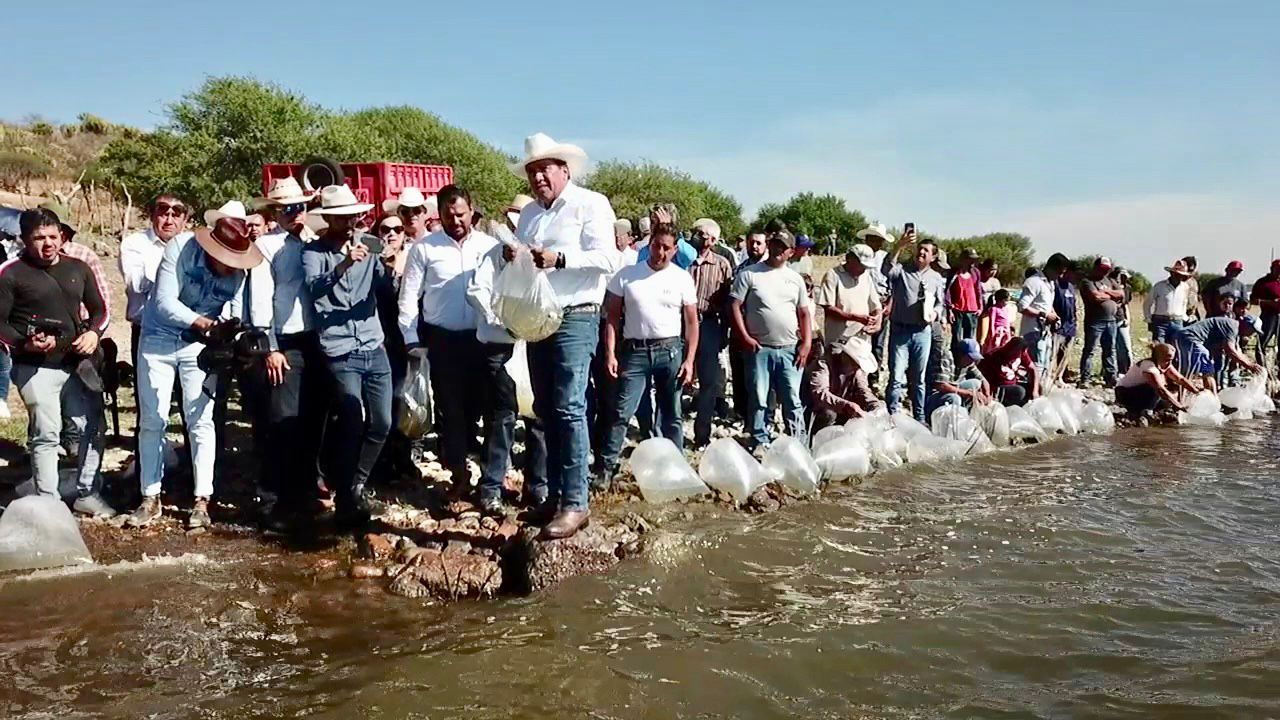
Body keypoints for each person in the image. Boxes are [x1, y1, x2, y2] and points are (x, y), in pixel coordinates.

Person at [509, 133, 621, 539]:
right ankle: (556, 497)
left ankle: (576, 502)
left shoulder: (591, 203)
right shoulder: (528, 217)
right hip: (540, 316)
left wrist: (562, 258)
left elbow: (610, 258)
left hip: (577, 314)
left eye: (545, 168)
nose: (538, 176)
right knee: (546, 407)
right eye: (532, 170)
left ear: (564, 170)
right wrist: (516, 257)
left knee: (570, 406)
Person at [127, 216, 262, 529]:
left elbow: (233, 309)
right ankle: (150, 496)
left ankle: (202, 499)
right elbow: (163, 303)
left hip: (199, 346)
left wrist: (230, 333)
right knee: (153, 419)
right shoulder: (180, 248)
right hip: (158, 339)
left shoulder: (239, 275)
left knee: (200, 419)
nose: (231, 267)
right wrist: (205, 324)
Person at [398, 185, 513, 512]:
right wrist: (410, 338)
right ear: (439, 214)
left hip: (485, 340)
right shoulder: (424, 249)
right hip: (443, 340)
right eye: (448, 216)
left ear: (471, 210)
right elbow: (409, 298)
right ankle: (459, 474)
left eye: (461, 214)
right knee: (452, 412)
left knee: (493, 409)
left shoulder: (491, 247)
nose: (456, 221)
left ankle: (492, 480)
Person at [0, 209, 111, 515]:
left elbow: (101, 310)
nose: (48, 244)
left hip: (78, 362)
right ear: (24, 239)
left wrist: (93, 334)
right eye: (39, 238)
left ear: (62, 236)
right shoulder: (10, 273)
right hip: (34, 367)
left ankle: (88, 492)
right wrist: (26, 343)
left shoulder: (79, 268)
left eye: (53, 236)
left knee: (92, 427)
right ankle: (50, 504)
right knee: (46, 433)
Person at [302, 185, 393, 529]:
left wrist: (389, 265)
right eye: (339, 215)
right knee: (352, 420)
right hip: (339, 348)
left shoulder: (369, 243)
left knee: (382, 421)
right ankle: (345, 496)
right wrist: (343, 264)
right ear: (327, 217)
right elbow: (314, 288)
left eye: (351, 214)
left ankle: (356, 482)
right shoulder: (314, 252)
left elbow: (384, 289)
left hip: (373, 344)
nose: (347, 220)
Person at [244, 184, 328, 529]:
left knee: (312, 419)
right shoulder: (265, 245)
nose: (294, 214)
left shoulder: (313, 240)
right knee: (282, 419)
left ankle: (304, 489)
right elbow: (261, 299)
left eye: (298, 208)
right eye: (286, 209)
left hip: (316, 338)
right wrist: (271, 347)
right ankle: (271, 498)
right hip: (286, 340)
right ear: (275, 213)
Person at [595, 225, 698, 481]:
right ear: (648, 244)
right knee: (621, 412)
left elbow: (692, 322)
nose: (659, 252)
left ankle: (677, 468)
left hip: (670, 351)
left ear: (675, 250)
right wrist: (610, 353)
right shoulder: (627, 275)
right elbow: (612, 319)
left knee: (672, 413)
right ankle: (606, 468)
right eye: (656, 245)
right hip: (635, 351)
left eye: (666, 248)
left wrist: (689, 360)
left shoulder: (682, 278)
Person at [730, 231, 813, 447]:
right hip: (759, 349)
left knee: (792, 399)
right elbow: (735, 306)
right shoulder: (749, 274)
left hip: (789, 349)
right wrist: (745, 337)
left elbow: (804, 313)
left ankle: (798, 442)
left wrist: (806, 343)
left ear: (790, 252)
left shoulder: (795, 279)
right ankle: (760, 440)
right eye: (774, 245)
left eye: (782, 247)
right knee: (759, 398)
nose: (777, 250)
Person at [880, 228, 946, 423]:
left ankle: (920, 418)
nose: (922, 252)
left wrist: (936, 313)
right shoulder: (902, 270)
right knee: (896, 377)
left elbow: (940, 303)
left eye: (926, 251)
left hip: (922, 332)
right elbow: (886, 269)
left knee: (919, 379)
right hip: (900, 330)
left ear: (933, 257)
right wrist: (899, 246)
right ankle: (892, 417)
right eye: (920, 249)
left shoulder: (935, 278)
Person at [120, 193, 190, 366]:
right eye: (163, 213)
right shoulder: (134, 244)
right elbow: (137, 284)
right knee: (148, 392)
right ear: (152, 215)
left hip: (186, 330)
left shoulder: (192, 245)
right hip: (148, 331)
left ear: (185, 219)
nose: (169, 221)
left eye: (176, 215)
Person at [687, 219, 735, 447]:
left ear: (714, 240)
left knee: (708, 382)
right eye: (696, 233)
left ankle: (702, 435)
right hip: (681, 324)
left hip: (708, 324)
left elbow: (728, 301)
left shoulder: (723, 265)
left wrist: (723, 330)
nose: (697, 236)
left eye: (702, 234)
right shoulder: (683, 259)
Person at [1170, 295, 1263, 392]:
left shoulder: (1234, 332)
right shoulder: (1233, 326)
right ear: (1245, 324)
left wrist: (1250, 364)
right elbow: (1230, 350)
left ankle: (1209, 397)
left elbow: (1236, 351)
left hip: (1188, 339)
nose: (1251, 334)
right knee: (1194, 371)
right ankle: (1184, 399)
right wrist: (1249, 366)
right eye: (1252, 330)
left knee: (1205, 370)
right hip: (1189, 338)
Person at [729, 231, 769, 420]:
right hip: (740, 328)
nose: (754, 246)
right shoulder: (740, 270)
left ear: (765, 245)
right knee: (740, 372)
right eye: (751, 242)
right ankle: (741, 412)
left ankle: (764, 416)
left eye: (758, 243)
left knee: (762, 376)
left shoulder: (771, 269)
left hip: (764, 331)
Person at [804, 339, 881, 432]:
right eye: (854, 363)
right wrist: (846, 405)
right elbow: (820, 393)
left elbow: (863, 390)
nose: (856, 367)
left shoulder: (856, 370)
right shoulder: (823, 364)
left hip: (841, 407)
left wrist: (874, 404)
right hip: (815, 409)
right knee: (829, 414)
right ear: (845, 356)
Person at [1115, 342, 1198, 417]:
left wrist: (1196, 391)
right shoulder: (1149, 367)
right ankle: (1144, 412)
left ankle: (1152, 408)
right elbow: (1160, 389)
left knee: (1169, 397)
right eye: (1167, 360)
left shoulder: (1164, 363)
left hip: (1141, 392)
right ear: (1159, 356)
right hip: (1124, 393)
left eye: (1171, 360)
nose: (1169, 363)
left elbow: (1180, 379)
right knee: (1157, 389)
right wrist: (1179, 405)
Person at [1017, 253, 1067, 377]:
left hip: (1045, 332)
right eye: (1059, 272)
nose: (1060, 276)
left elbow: (1047, 304)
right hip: (1032, 332)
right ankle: (1031, 392)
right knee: (1034, 366)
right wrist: (1043, 314)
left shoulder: (1050, 284)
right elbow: (1022, 306)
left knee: (1044, 365)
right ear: (1052, 267)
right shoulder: (1034, 282)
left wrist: (1054, 315)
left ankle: (1039, 391)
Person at [1078, 256, 1124, 386]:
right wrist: (1111, 296)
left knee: (1110, 350)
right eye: (1102, 268)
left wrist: (1107, 292)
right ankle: (1085, 378)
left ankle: (1110, 378)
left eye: (1107, 269)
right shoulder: (1088, 281)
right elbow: (1096, 296)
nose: (1104, 271)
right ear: (1096, 267)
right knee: (1090, 350)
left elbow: (1122, 294)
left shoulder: (1110, 281)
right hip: (1095, 321)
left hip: (1111, 321)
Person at [855, 223, 893, 376]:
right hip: (863, 303)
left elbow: (894, 283)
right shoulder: (858, 255)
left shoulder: (886, 258)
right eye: (872, 238)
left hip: (882, 302)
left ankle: (874, 377)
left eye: (878, 239)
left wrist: (890, 304)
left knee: (878, 342)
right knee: (860, 340)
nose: (875, 242)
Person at [924, 336, 991, 419]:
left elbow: (983, 380)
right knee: (954, 398)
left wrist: (987, 395)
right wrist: (969, 393)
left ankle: (967, 415)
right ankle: (951, 423)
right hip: (935, 396)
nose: (971, 361)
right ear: (960, 354)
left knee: (976, 383)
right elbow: (941, 386)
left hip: (954, 388)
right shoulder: (945, 358)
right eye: (969, 358)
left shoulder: (968, 363)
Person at [978, 336, 1040, 407]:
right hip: (998, 388)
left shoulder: (1021, 354)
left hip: (1013, 384)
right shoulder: (993, 356)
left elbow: (1033, 369)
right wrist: (988, 394)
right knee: (1020, 391)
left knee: (1037, 387)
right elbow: (983, 376)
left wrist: (1035, 391)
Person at [1144, 260, 1192, 343]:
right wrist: (1148, 319)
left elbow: (1184, 303)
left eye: (1181, 275)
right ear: (1172, 273)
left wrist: (1185, 318)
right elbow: (1147, 303)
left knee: (1176, 348)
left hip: (1177, 322)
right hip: (1160, 322)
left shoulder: (1185, 287)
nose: (1179, 277)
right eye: (1177, 274)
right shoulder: (1159, 286)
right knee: (1160, 348)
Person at [637, 204, 695, 269]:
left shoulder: (680, 247)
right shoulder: (644, 250)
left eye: (658, 223)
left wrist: (669, 230)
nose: (653, 226)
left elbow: (691, 257)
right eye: (652, 222)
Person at [946, 248, 983, 343]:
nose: (972, 262)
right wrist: (949, 309)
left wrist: (980, 307)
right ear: (963, 259)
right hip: (957, 310)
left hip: (972, 310)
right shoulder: (954, 273)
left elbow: (978, 290)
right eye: (970, 259)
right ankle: (957, 357)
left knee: (969, 339)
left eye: (974, 259)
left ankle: (967, 357)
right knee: (957, 338)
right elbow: (948, 290)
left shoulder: (976, 273)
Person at [1249, 259, 1280, 372]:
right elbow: (1253, 300)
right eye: (1277, 269)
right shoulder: (1263, 283)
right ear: (1272, 269)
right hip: (1268, 315)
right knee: (1262, 343)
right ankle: (1262, 368)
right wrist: (1269, 302)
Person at [1112, 267, 1134, 374]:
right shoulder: (1110, 286)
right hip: (1110, 319)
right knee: (1112, 347)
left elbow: (1126, 305)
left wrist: (1128, 318)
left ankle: (1127, 370)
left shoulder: (1127, 288)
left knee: (1126, 347)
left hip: (1121, 319)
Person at [978, 288, 1014, 353]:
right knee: (996, 346)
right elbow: (992, 321)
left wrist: (1009, 330)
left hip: (1005, 331)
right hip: (998, 331)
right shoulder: (994, 309)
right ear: (999, 300)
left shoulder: (1006, 309)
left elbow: (1007, 321)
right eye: (1005, 301)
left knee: (1005, 346)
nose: (1007, 303)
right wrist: (992, 332)